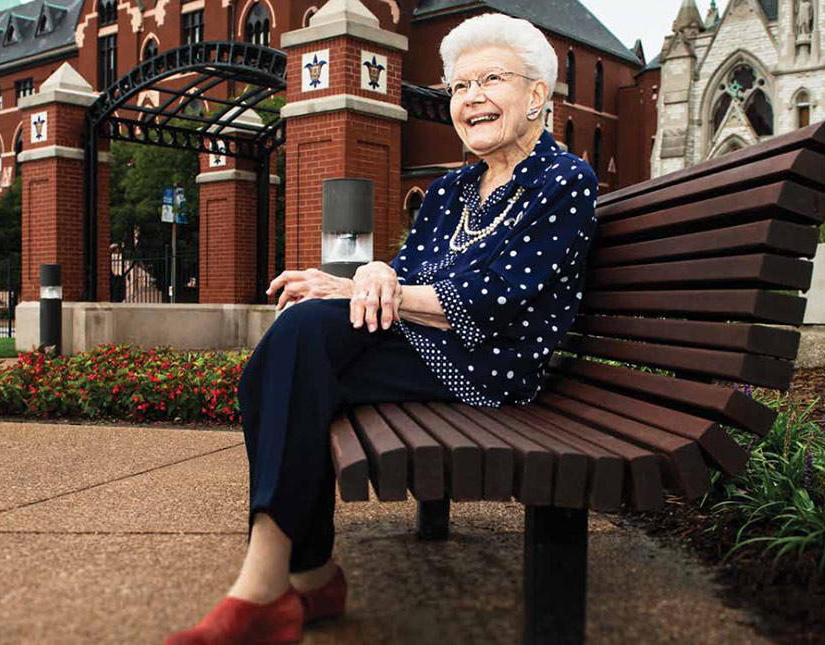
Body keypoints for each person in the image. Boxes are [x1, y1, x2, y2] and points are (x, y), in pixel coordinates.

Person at [164, 11, 598, 645]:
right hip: (426, 343)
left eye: (490, 80)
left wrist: (369, 286)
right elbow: (406, 273)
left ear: (537, 96)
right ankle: (301, 579)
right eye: (458, 87)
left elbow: (497, 300)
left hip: (490, 364)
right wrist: (362, 277)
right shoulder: (453, 189)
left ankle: (279, 587)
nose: (470, 98)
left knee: (304, 344)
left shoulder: (562, 182)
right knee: (296, 337)